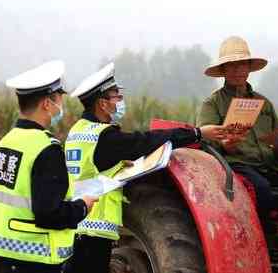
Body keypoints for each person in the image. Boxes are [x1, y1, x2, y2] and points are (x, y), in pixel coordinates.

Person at [64, 62, 226, 273]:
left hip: (76, 224)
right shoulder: (105, 137)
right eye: (116, 97)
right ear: (102, 104)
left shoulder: (78, 131)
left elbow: (93, 167)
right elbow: (146, 141)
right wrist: (197, 133)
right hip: (94, 227)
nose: (120, 102)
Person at [0, 60, 97, 273]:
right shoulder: (46, 148)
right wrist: (82, 207)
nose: (61, 105)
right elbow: (48, 214)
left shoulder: (5, 142)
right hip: (35, 259)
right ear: (47, 104)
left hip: (2, 255)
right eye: (60, 99)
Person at [197, 36, 278, 233]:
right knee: (262, 188)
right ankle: (264, 239)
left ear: (249, 68)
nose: (238, 70)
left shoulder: (264, 103)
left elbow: (277, 136)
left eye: (242, 64)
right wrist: (225, 144)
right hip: (236, 164)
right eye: (232, 66)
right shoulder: (212, 104)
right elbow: (204, 141)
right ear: (223, 71)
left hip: (268, 164)